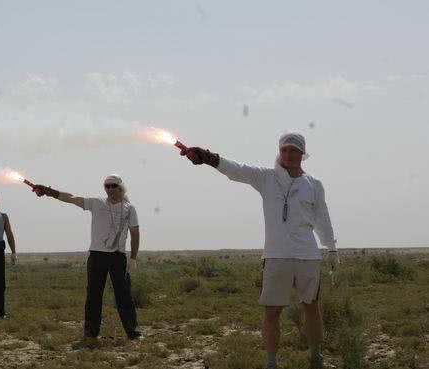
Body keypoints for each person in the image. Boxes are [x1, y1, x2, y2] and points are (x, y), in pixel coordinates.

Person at [181, 133, 338, 369]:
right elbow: (236, 170)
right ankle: (271, 362)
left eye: (293, 150)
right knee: (272, 312)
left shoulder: (314, 184)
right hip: (276, 256)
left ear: (302, 154)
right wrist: (207, 157)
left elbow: (321, 217)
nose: (288, 154)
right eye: (284, 150)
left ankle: (316, 358)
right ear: (279, 151)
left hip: (308, 256)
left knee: (312, 308)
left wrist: (332, 247)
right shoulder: (267, 177)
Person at [31, 175, 142, 347]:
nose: (110, 189)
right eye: (107, 186)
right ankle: (90, 334)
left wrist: (133, 258)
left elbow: (135, 233)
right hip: (97, 256)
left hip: (118, 257)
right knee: (93, 296)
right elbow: (71, 198)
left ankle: (133, 332)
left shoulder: (129, 208)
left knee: (123, 296)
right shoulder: (96, 203)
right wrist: (49, 191)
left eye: (114, 186)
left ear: (120, 187)